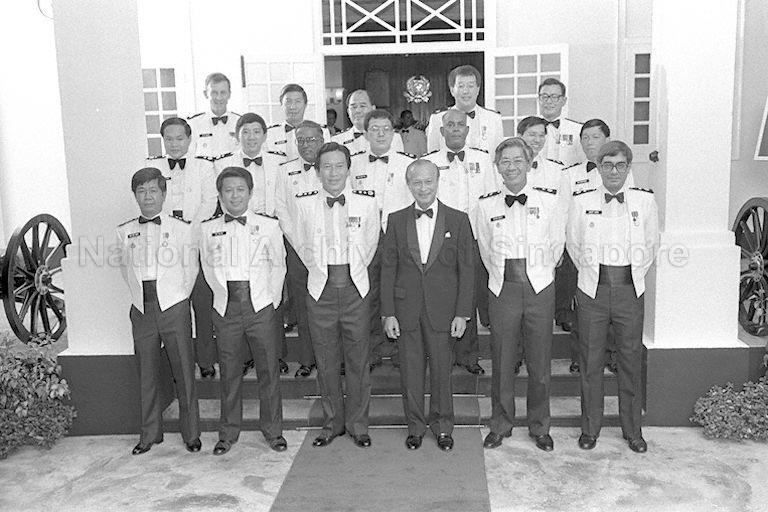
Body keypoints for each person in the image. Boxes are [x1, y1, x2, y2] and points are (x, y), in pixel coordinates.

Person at [567, 140, 658, 453]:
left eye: (620, 165)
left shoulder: (644, 202)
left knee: (630, 361)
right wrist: (594, 275)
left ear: (628, 168)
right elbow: (573, 245)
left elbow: (650, 246)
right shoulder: (582, 201)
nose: (614, 171)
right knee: (590, 360)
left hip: (629, 291)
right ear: (600, 168)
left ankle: (632, 431)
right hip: (593, 290)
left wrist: (629, 279)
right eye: (608, 165)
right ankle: (589, 429)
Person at [475, 138, 564, 452]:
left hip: (539, 284)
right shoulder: (485, 205)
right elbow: (485, 250)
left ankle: (540, 425)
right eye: (505, 162)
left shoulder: (550, 201)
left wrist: (539, 274)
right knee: (502, 359)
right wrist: (504, 277)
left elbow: (557, 244)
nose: (511, 167)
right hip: (503, 288)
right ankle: (500, 423)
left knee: (540, 362)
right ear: (497, 167)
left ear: (528, 164)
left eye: (517, 161)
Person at [381, 159, 474, 451]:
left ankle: (443, 426)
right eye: (417, 182)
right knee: (410, 372)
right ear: (408, 185)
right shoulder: (395, 220)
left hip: (444, 310)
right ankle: (415, 427)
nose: (423, 188)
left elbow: (467, 270)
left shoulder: (458, 219)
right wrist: (388, 313)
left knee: (442, 372)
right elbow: (388, 269)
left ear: (438, 182)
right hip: (406, 308)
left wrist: (463, 313)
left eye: (428, 181)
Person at [291, 142, 380, 448]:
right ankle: (332, 423)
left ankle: (358, 424)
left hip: (355, 287)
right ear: (317, 172)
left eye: (339, 165)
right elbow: (302, 246)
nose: (333, 172)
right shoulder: (303, 205)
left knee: (358, 360)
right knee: (326, 360)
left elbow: (369, 246)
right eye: (326, 166)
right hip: (321, 289)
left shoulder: (367, 203)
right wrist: (322, 273)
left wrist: (351, 274)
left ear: (348, 168)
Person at [198, 167, 287, 455]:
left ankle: (273, 431)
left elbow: (279, 265)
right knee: (229, 372)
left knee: (268, 372)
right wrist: (222, 299)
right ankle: (228, 433)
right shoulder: (207, 229)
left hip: (259, 305)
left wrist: (270, 302)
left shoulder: (269, 226)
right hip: (227, 309)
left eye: (240, 189)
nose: (234, 195)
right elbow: (208, 268)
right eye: (228, 190)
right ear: (220, 195)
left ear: (250, 192)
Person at [117, 167, 200, 455]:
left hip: (174, 305)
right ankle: (150, 433)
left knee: (184, 371)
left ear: (164, 194)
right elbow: (125, 270)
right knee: (147, 372)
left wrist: (178, 298)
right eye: (141, 191)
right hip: (142, 307)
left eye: (153, 190)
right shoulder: (124, 231)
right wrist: (142, 298)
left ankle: (191, 433)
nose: (147, 196)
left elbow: (191, 269)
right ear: (135, 196)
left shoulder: (182, 228)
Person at [423, 109, 497, 375]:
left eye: (460, 125)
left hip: (473, 238)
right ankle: (441, 353)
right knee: (441, 298)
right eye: (450, 125)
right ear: (441, 132)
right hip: (439, 240)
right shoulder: (429, 161)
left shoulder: (484, 160)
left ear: (468, 130)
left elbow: (491, 198)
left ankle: (469, 355)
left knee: (469, 298)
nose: (455, 129)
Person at [215, 112, 289, 375]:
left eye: (257, 131)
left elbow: (281, 198)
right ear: (238, 135)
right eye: (245, 131)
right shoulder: (223, 162)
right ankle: (246, 355)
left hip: (268, 231)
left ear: (265, 135)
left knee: (269, 295)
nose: (251, 137)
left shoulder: (279, 162)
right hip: (237, 231)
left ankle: (274, 354)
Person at [147, 117, 219, 379]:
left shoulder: (204, 167)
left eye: (180, 138)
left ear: (190, 140)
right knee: (174, 304)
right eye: (169, 139)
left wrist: (189, 231)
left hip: (196, 242)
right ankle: (181, 362)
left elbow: (210, 201)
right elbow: (151, 202)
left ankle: (206, 360)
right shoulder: (152, 166)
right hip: (165, 247)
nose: (174, 144)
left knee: (202, 302)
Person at [350, 109, 415, 370]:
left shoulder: (407, 162)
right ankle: (373, 350)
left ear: (393, 132)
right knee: (370, 294)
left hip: (398, 234)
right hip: (365, 235)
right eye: (374, 129)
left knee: (402, 293)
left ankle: (404, 351)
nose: (380, 134)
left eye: (386, 129)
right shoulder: (353, 164)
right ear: (365, 133)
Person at [274, 120, 326, 378]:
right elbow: (281, 209)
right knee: (304, 307)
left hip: (330, 248)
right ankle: (307, 359)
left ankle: (332, 359)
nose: (306, 145)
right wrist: (299, 243)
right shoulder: (285, 171)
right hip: (297, 249)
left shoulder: (333, 164)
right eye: (301, 140)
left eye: (312, 139)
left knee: (329, 306)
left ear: (322, 139)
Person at [426, 65, 503, 154]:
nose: (466, 91)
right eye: (461, 86)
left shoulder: (493, 118)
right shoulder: (437, 119)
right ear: (452, 90)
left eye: (470, 86)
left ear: (478, 89)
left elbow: (499, 157)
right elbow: (432, 157)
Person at [265, 83, 331, 160]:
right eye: (288, 102)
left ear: (305, 104)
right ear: (281, 104)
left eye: (298, 101)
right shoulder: (269, 134)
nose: (293, 107)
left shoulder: (322, 131)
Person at [332, 89, 404, 154]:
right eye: (353, 107)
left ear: (373, 109)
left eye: (362, 106)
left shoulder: (393, 138)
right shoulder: (337, 140)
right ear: (348, 112)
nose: (358, 111)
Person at [187, 72, 240, 158]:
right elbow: (190, 157)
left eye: (223, 92)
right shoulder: (194, 124)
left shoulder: (239, 122)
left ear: (229, 94)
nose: (219, 98)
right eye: (214, 93)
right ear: (206, 94)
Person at [537, 78, 584, 167]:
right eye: (544, 97)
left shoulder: (578, 130)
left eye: (554, 97)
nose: (549, 101)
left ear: (563, 101)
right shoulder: (529, 129)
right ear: (539, 99)